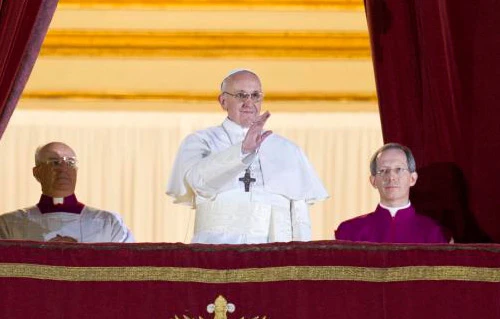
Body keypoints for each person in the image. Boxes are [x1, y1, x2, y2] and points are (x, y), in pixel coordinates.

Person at [167, 69, 328, 244]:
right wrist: (242, 151)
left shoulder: (287, 149)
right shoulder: (200, 141)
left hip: (274, 257)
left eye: (255, 95)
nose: (249, 102)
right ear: (223, 101)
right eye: (241, 95)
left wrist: (300, 260)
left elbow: (299, 214)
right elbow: (197, 182)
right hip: (216, 253)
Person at [0, 142, 134, 243]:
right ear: (37, 172)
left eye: (70, 163)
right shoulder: (10, 225)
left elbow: (128, 269)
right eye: (54, 162)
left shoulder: (108, 224)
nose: (63, 168)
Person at [335, 143, 448, 243]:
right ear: (373, 181)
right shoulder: (349, 231)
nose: (391, 177)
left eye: (399, 169)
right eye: (383, 170)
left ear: (412, 179)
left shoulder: (433, 232)